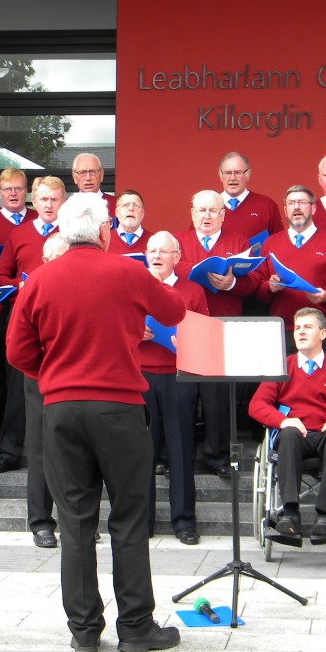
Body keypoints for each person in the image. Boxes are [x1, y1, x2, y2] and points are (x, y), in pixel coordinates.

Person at [7, 192, 186, 652]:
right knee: (129, 517)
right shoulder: (129, 270)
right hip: (119, 408)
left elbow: (16, 352)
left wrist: (52, 373)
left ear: (62, 233)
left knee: (75, 521)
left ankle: (84, 630)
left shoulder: (41, 279)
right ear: (105, 231)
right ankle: (137, 627)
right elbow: (174, 312)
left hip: (61, 409)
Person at [250, 307, 326, 540]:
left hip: (325, 432)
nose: (300, 332)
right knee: (289, 434)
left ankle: (325, 516)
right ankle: (290, 514)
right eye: (297, 328)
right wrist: (283, 421)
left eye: (308, 327)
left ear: (322, 333)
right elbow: (257, 404)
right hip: (294, 435)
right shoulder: (282, 366)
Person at [175, 189, 257, 478]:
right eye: (201, 210)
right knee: (183, 397)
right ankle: (181, 458)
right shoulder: (179, 241)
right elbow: (169, 268)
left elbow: (253, 284)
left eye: (213, 210)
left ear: (223, 214)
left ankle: (217, 457)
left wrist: (232, 283)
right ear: (192, 213)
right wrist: (196, 271)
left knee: (217, 398)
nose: (206, 216)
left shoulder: (238, 242)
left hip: (224, 326)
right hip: (187, 327)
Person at [0, 176, 66, 473]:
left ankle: (56, 452)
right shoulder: (19, 234)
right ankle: (10, 450)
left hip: (59, 323)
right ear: (33, 200)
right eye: (43, 199)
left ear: (63, 202)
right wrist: (20, 288)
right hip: (23, 320)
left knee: (56, 385)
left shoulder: (70, 234)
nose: (48, 205)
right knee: (18, 386)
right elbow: (0, 276)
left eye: (54, 199)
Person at [139, 231, 208, 544]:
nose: (156, 256)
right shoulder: (134, 288)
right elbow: (113, 328)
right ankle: (143, 521)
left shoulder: (192, 290)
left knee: (181, 449)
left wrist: (188, 341)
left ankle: (184, 522)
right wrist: (134, 331)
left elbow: (205, 334)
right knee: (141, 452)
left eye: (163, 251)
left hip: (179, 377)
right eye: (152, 250)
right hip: (139, 377)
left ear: (177, 257)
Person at [254, 184, 326, 355]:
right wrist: (270, 287)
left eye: (302, 202)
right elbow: (258, 288)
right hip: (282, 331)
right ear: (285, 210)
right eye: (291, 203)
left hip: (322, 331)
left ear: (313, 208)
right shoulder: (271, 243)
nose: (296, 207)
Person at [0, 167, 36, 443]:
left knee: (23, 369)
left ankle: (23, 426)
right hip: (1, 303)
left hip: (33, 307)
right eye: (7, 189)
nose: (13, 193)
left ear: (28, 192)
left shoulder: (38, 219)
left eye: (18, 188)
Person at [19, 234, 70, 549]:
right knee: (40, 451)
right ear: (48, 260)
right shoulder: (34, 286)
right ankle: (41, 523)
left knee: (74, 452)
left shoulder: (82, 286)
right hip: (41, 377)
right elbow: (19, 344)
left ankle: (74, 522)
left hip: (75, 378)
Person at [216, 151, 283, 242]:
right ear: (220, 175)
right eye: (228, 173)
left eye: (238, 172)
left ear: (248, 174)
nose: (232, 178)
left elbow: (278, 243)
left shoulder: (267, 205)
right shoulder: (207, 206)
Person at [108, 190, 154, 255]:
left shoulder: (154, 241)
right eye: (125, 205)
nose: (131, 208)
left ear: (143, 213)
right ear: (116, 212)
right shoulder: (105, 240)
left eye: (136, 205)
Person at [71, 152, 116, 216]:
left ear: (101, 175)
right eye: (82, 172)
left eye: (93, 172)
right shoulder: (66, 206)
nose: (88, 178)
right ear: (74, 177)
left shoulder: (117, 205)